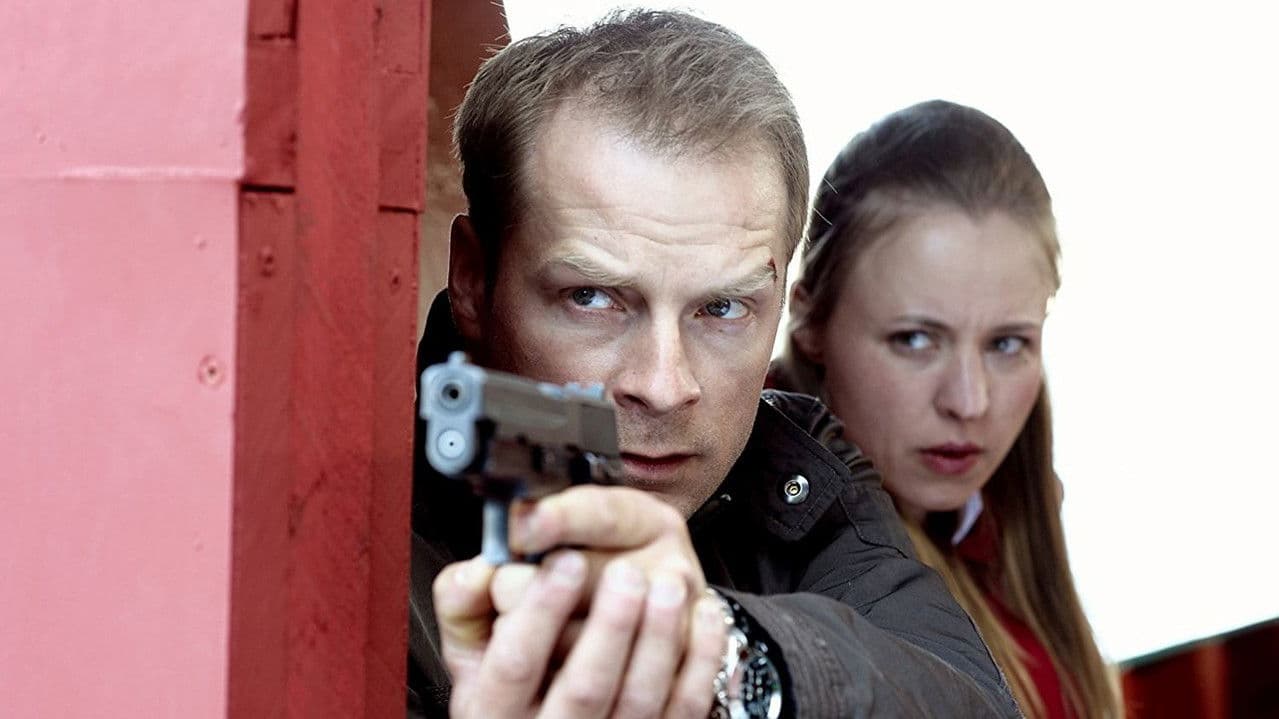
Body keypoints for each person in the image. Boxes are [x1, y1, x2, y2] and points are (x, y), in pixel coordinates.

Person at [408, 13, 1020, 718]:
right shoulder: (361, 532)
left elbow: (968, 701)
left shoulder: (798, 463)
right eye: (592, 297)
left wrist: (721, 655)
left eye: (722, 308)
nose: (664, 385)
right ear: (473, 280)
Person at [771, 99, 1123, 719]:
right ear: (809, 318)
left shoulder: (1010, 513)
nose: (969, 401)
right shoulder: (756, 565)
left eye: (1006, 344)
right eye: (914, 339)